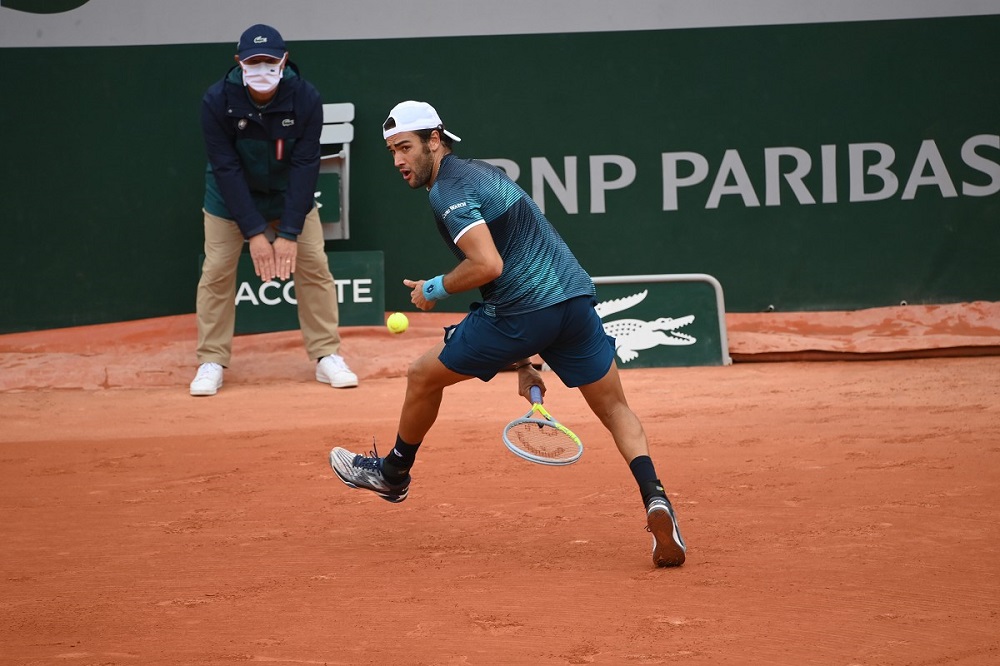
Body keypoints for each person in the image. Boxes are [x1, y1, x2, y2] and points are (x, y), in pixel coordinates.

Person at [329, 101, 686, 567]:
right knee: (617, 408)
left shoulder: (447, 192)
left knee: (421, 376)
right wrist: (528, 362)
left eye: (405, 148)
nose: (397, 160)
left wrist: (432, 289)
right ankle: (656, 498)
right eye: (392, 151)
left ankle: (393, 474)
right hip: (573, 302)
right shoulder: (484, 173)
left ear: (434, 140)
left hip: (520, 313)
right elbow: (517, 263)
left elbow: (488, 266)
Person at [190, 24, 357, 396]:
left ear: (284, 60)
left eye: (269, 61)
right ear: (239, 63)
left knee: (314, 265)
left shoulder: (306, 98)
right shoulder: (217, 101)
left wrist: (289, 233)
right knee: (216, 271)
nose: (261, 68)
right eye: (253, 61)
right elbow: (226, 168)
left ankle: (326, 355)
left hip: (289, 195)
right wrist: (254, 233)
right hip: (228, 197)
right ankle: (211, 360)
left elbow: (305, 165)